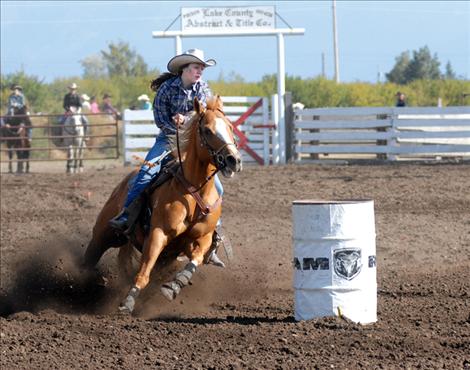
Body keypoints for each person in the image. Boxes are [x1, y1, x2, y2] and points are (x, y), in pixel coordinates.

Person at [109, 48, 225, 267]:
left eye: (201, 68)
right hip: (168, 138)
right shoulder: (166, 89)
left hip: (192, 143)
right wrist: (175, 124)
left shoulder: (203, 89)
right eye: (196, 67)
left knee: (217, 188)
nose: (199, 71)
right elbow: (159, 117)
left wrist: (188, 119)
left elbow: (202, 115)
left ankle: (213, 235)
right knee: (145, 174)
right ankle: (126, 216)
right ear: (185, 69)